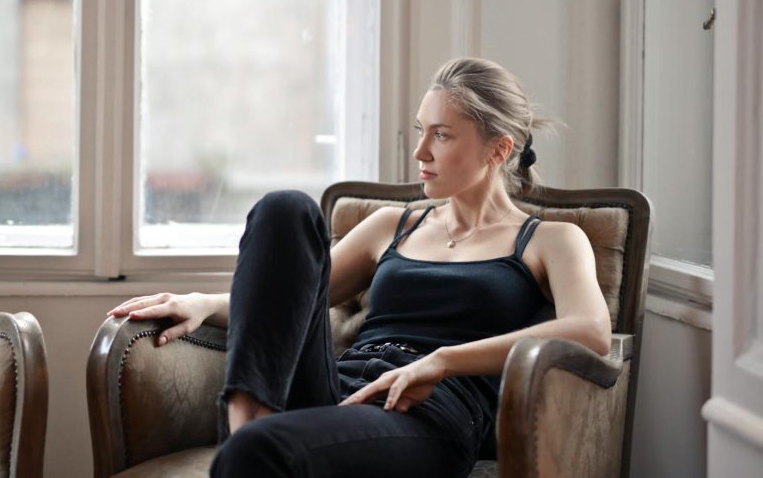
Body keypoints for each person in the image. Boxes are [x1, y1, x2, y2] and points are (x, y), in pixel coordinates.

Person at [107, 57, 612, 478]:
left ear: (498, 148)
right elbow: (291, 300)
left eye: (441, 135)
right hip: (337, 390)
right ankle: (245, 411)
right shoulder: (393, 225)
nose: (419, 151)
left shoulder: (550, 240)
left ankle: (249, 439)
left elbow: (590, 331)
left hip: (429, 412)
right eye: (421, 131)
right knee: (286, 209)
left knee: (261, 451)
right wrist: (203, 303)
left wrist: (441, 361)